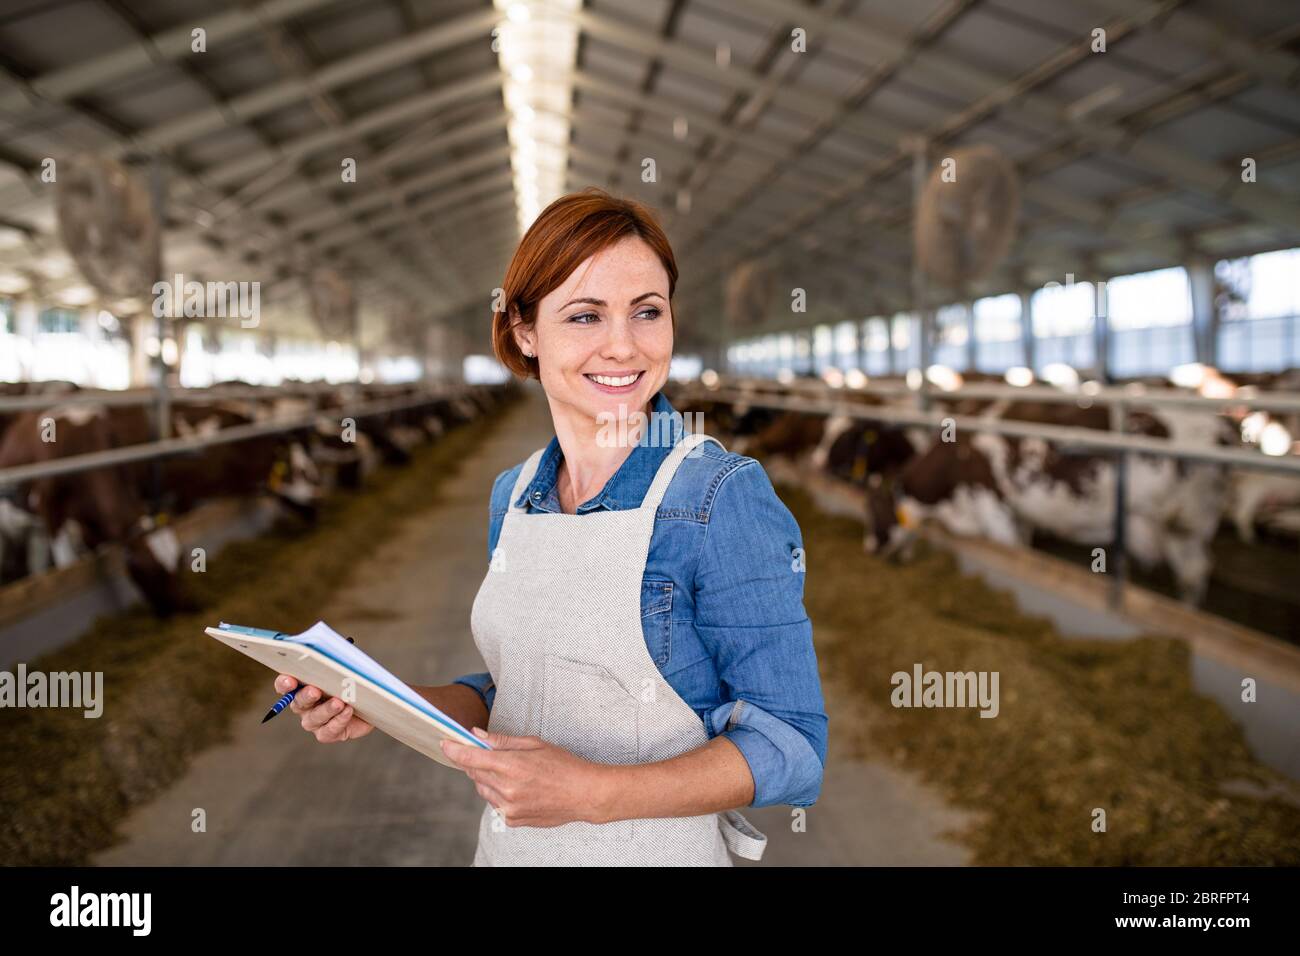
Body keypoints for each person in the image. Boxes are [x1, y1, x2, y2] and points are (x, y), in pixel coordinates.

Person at [275, 186, 827, 866]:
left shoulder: (718, 495)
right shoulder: (516, 494)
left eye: (646, 311)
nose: (623, 346)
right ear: (524, 333)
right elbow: (521, 688)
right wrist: (384, 699)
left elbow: (794, 747)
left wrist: (595, 793)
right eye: (585, 316)